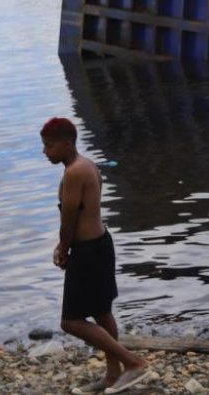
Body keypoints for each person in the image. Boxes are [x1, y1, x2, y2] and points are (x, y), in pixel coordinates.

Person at [41, 117, 148, 394]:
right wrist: (62, 246)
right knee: (101, 312)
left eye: (50, 146)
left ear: (66, 144)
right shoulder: (88, 165)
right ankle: (113, 375)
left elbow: (69, 220)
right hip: (100, 244)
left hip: (88, 251)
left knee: (71, 321)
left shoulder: (75, 172)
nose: (45, 152)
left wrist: (63, 249)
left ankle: (133, 363)